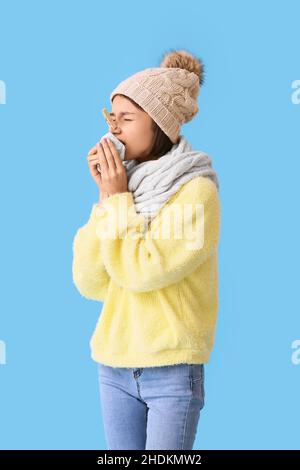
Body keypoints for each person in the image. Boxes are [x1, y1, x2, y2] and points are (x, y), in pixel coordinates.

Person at [72, 49, 221, 450]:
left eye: (126, 120)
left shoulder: (197, 192)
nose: (113, 131)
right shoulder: (125, 190)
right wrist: (106, 199)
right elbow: (90, 281)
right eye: (111, 119)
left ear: (158, 124)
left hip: (171, 367)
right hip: (114, 363)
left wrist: (117, 200)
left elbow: (142, 271)